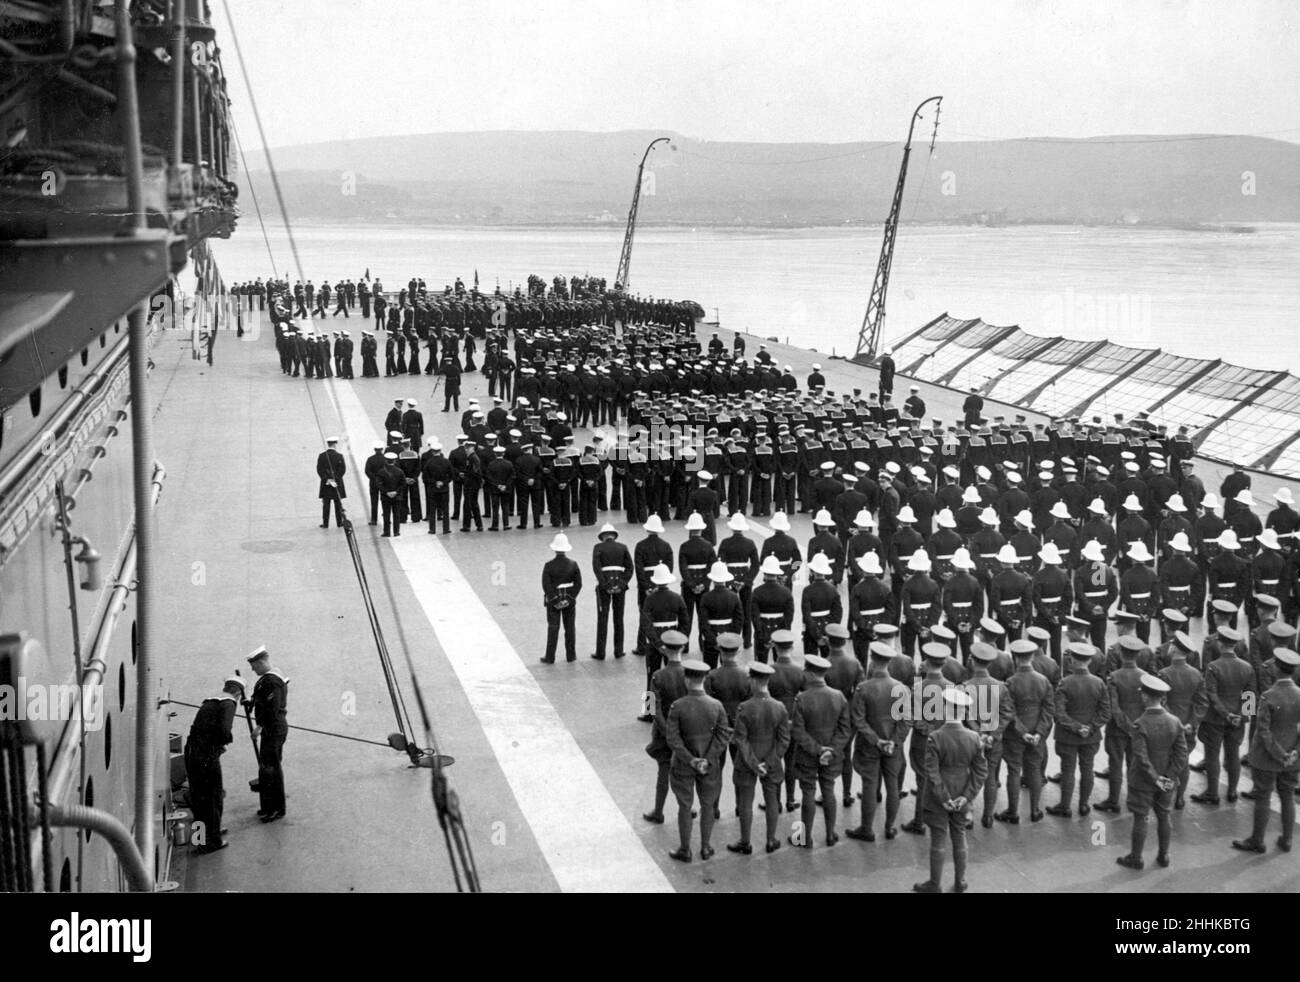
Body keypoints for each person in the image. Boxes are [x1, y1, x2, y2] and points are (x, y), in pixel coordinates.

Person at [914, 688, 987, 894]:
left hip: (939, 796)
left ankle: (935, 884)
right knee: (959, 834)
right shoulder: (974, 737)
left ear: (945, 709)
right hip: (963, 790)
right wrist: (966, 796)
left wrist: (944, 797)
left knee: (938, 837)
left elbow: (932, 771)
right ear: (964, 712)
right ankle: (960, 881)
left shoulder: (935, 737)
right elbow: (981, 771)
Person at [1232, 647, 1300, 854]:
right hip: (1293, 757)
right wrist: (1293, 752)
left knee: (1263, 796)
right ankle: (1287, 839)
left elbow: (1263, 731)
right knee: (1287, 795)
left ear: (1277, 668)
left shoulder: (1268, 696)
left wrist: (1279, 754)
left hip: (1267, 757)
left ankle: (1257, 840)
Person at [1117, 675, 1187, 870]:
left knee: (1141, 817)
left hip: (1143, 781)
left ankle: (1136, 857)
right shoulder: (1175, 721)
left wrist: (1155, 779)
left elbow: (1141, 757)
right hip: (1167, 781)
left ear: (1146, 697)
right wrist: (1169, 777)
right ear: (1162, 698)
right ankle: (1164, 855)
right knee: (1164, 816)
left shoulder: (1140, 723)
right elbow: (1181, 753)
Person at [665, 658, 731, 862]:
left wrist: (691, 759)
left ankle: (685, 849)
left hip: (683, 764)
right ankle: (705, 847)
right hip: (709, 766)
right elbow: (723, 736)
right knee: (708, 805)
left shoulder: (676, 704)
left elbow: (672, 739)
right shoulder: (716, 705)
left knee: (685, 806)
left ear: (686, 680)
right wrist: (707, 759)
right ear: (704, 679)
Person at [846, 641, 912, 842]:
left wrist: (876, 740)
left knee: (869, 785)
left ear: (872, 661)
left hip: (869, 746)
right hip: (894, 746)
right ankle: (890, 827)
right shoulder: (900, 688)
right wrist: (893, 741)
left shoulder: (863, 688)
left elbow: (858, 719)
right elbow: (906, 720)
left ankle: (867, 828)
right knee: (893, 786)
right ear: (890, 662)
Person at [789, 653, 852, 848]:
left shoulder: (801, 698)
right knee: (829, 791)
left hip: (808, 755)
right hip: (832, 756)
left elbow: (798, 731)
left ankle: (804, 839)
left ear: (808, 673)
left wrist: (817, 750)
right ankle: (830, 834)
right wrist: (831, 751)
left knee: (808, 792)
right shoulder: (838, 696)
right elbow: (845, 730)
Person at [1048, 642, 1111, 817]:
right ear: (1090, 661)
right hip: (1090, 737)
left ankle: (1065, 805)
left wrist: (1076, 727)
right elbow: (1105, 712)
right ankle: (1084, 804)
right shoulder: (1099, 683)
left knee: (1068, 770)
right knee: (1087, 769)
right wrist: (1090, 728)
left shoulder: (1065, 683)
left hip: (1068, 736)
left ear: (1072, 660)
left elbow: (1058, 713)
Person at [997, 638, 1054, 823]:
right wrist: (1039, 732)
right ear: (1032, 656)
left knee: (1014, 771)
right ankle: (1035, 810)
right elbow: (1048, 710)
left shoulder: (1010, 682)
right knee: (1035, 770)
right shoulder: (1043, 681)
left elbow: (1009, 712)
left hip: (1015, 734)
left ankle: (1012, 812)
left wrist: (1022, 732)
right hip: (1037, 731)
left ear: (1015, 657)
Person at [185, 676, 244, 853]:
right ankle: (211, 842)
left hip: (191, 753)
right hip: (207, 757)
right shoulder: (229, 703)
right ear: (238, 692)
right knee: (212, 798)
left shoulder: (210, 701)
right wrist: (224, 743)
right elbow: (224, 731)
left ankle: (200, 839)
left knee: (198, 798)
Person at [643, 630, 689, 824]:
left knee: (663, 771)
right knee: (685, 773)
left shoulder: (657, 675)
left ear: (664, 650)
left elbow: (650, 708)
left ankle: (659, 811)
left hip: (664, 733)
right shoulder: (690, 673)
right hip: (686, 731)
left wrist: (666, 730)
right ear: (683, 648)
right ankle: (688, 807)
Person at [247, 646, 288, 822]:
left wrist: (259, 726)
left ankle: (276, 809)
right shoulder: (266, 679)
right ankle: (267, 806)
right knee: (266, 767)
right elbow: (260, 699)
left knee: (272, 768)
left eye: (254, 665)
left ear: (262, 662)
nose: (252, 669)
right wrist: (249, 702)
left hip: (274, 729)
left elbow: (272, 708)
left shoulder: (272, 680)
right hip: (270, 729)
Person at [591, 522, 633, 660]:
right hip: (620, 586)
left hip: (604, 588)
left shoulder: (598, 547)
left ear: (603, 536)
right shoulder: (623, 547)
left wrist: (606, 584)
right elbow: (629, 568)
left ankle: (600, 652)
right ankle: (618, 650)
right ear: (614, 535)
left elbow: (597, 569)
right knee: (618, 618)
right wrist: (620, 584)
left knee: (602, 619)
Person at [541, 533, 581, 663]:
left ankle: (550, 656)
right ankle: (571, 655)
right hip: (569, 599)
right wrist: (568, 599)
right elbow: (578, 584)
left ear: (555, 549)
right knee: (569, 627)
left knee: (553, 627)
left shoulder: (548, 565)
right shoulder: (573, 564)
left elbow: (546, 585)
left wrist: (555, 600)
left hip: (554, 601)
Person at [316, 437, 346, 529]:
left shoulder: (322, 456)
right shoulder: (339, 456)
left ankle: (325, 523)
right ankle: (339, 522)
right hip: (337, 484)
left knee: (326, 504)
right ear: (335, 444)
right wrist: (335, 479)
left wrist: (327, 479)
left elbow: (319, 469)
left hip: (326, 484)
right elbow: (342, 470)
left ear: (328, 444)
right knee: (337, 503)